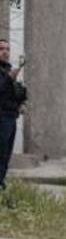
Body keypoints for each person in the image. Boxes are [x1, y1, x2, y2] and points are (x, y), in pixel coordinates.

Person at [0, 39, 27, 191]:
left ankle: (1, 181)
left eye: (7, 49)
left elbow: (19, 91)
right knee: (1, 152)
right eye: (1, 49)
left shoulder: (9, 70)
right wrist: (9, 78)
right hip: (2, 117)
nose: (5, 52)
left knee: (6, 154)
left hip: (11, 117)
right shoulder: (6, 74)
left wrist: (22, 102)